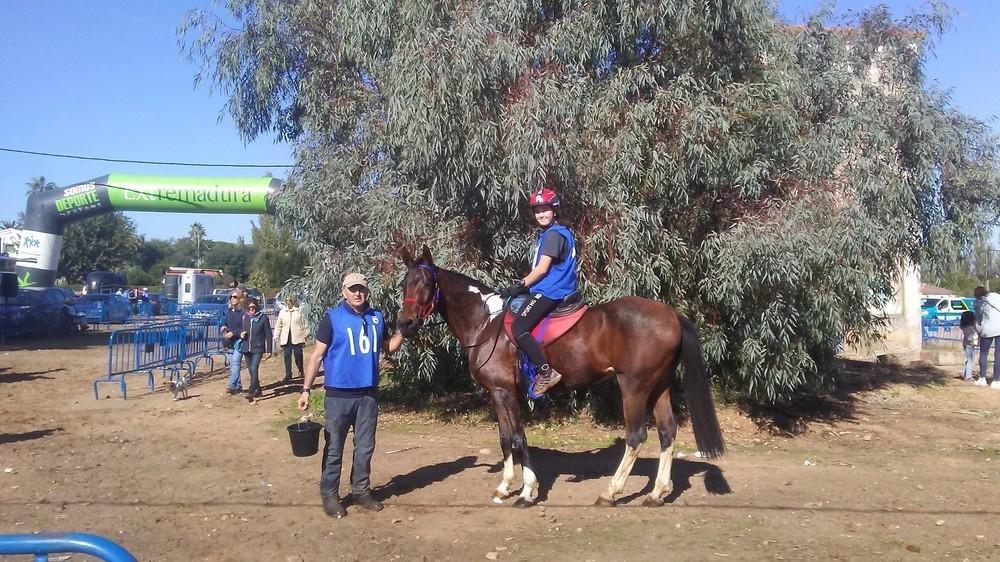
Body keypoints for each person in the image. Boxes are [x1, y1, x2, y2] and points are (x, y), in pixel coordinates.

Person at [298, 272, 404, 518]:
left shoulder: (377, 317)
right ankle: (330, 495)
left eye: (362, 289)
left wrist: (404, 333)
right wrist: (305, 389)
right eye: (353, 289)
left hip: (368, 395)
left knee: (365, 447)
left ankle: (361, 491)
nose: (358, 293)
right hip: (338, 396)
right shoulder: (332, 319)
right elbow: (316, 356)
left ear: (367, 292)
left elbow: (387, 347)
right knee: (334, 448)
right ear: (343, 291)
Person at [499, 186, 578, 396]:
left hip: (550, 291)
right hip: (557, 288)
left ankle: (546, 371)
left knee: (519, 328)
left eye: (545, 209)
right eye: (537, 211)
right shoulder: (559, 232)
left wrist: (518, 286)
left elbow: (542, 270)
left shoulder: (553, 235)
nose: (541, 214)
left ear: (555, 211)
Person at [240, 298, 273, 401]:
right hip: (246, 347)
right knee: (251, 371)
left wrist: (269, 349)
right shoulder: (245, 317)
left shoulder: (263, 318)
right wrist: (241, 333)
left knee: (254, 368)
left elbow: (268, 334)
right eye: (249, 307)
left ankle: (251, 390)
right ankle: (258, 389)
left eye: (253, 307)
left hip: (258, 348)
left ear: (256, 307)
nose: (251, 309)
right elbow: (240, 329)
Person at [274, 294, 308, 383]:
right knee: (287, 356)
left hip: (297, 337)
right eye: (286, 301)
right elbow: (278, 325)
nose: (288, 302)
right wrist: (276, 335)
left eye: (289, 300)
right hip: (286, 337)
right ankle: (288, 374)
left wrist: (306, 334)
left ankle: (301, 370)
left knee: (298, 355)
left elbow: (305, 324)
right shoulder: (282, 312)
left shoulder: (299, 311)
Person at [974, 286, 1000, 389]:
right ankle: (997, 380)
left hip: (986, 330)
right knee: (998, 355)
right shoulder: (996, 296)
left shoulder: (977, 303)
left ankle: (982, 378)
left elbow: (978, 319)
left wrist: (978, 330)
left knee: (984, 354)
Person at [221, 289, 246, 395]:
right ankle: (238, 386)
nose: (232, 299)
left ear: (240, 299)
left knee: (235, 362)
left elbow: (244, 327)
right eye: (231, 297)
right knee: (233, 364)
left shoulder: (244, 312)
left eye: (235, 297)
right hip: (230, 342)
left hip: (240, 341)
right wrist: (223, 328)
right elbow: (225, 323)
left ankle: (231, 385)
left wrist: (234, 333)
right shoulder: (229, 312)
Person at [960, 310, 977, 382]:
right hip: (970, 345)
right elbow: (971, 338)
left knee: (969, 359)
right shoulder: (971, 328)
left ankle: (966, 373)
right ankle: (968, 376)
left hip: (966, 344)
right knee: (970, 360)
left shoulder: (963, 326)